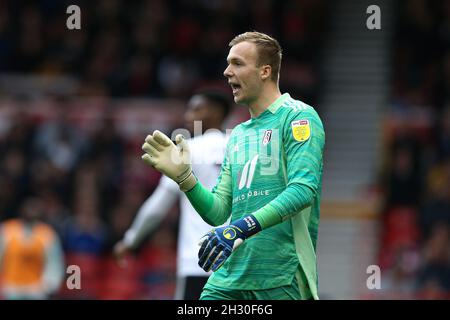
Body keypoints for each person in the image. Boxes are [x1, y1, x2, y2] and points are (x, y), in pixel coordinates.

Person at [141, 31, 325, 300]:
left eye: (237, 63)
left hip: (281, 277)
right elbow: (219, 213)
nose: (227, 72)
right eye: (228, 63)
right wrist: (186, 179)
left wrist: (238, 228)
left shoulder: (298, 117)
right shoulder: (237, 135)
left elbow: (302, 191)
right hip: (228, 277)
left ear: (265, 71)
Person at [114, 91, 231, 300]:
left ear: (216, 112)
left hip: (198, 263)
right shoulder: (242, 149)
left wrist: (131, 240)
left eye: (195, 109)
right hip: (237, 264)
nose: (188, 116)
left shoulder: (189, 150)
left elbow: (157, 207)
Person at [0, 197, 65, 300]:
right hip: (10, 289)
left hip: (36, 291)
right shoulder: (7, 230)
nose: (31, 211)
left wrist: (49, 285)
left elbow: (55, 263)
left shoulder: (47, 234)